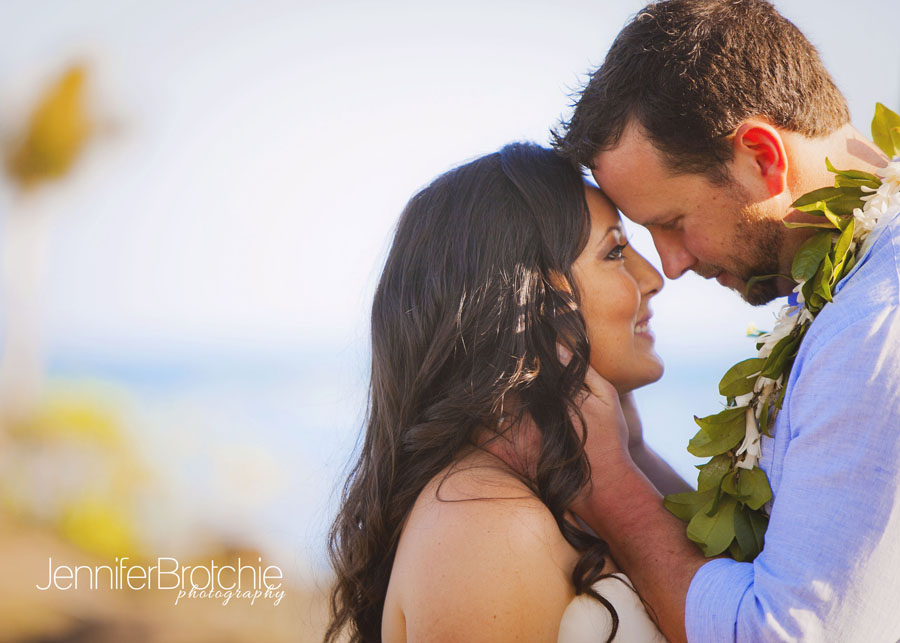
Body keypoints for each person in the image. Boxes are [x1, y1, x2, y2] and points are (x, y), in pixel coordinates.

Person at [553, 0, 900, 641]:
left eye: (672, 224)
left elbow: (779, 632)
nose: (671, 265)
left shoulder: (875, 327)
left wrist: (607, 485)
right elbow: (776, 563)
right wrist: (629, 449)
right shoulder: (845, 287)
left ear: (762, 158)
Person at [325, 143, 687, 642]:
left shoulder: (557, 490)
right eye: (616, 252)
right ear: (533, 303)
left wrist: (632, 450)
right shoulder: (486, 527)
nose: (653, 278)